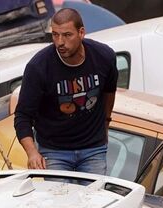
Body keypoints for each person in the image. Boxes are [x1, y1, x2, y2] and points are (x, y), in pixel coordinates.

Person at [14, 8, 120, 175]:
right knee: (61, 199)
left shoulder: (103, 56)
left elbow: (109, 91)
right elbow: (22, 116)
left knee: (94, 199)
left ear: (81, 33)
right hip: (54, 151)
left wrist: (105, 123)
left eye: (67, 35)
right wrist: (32, 153)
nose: (60, 42)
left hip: (93, 148)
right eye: (55, 35)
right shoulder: (39, 67)